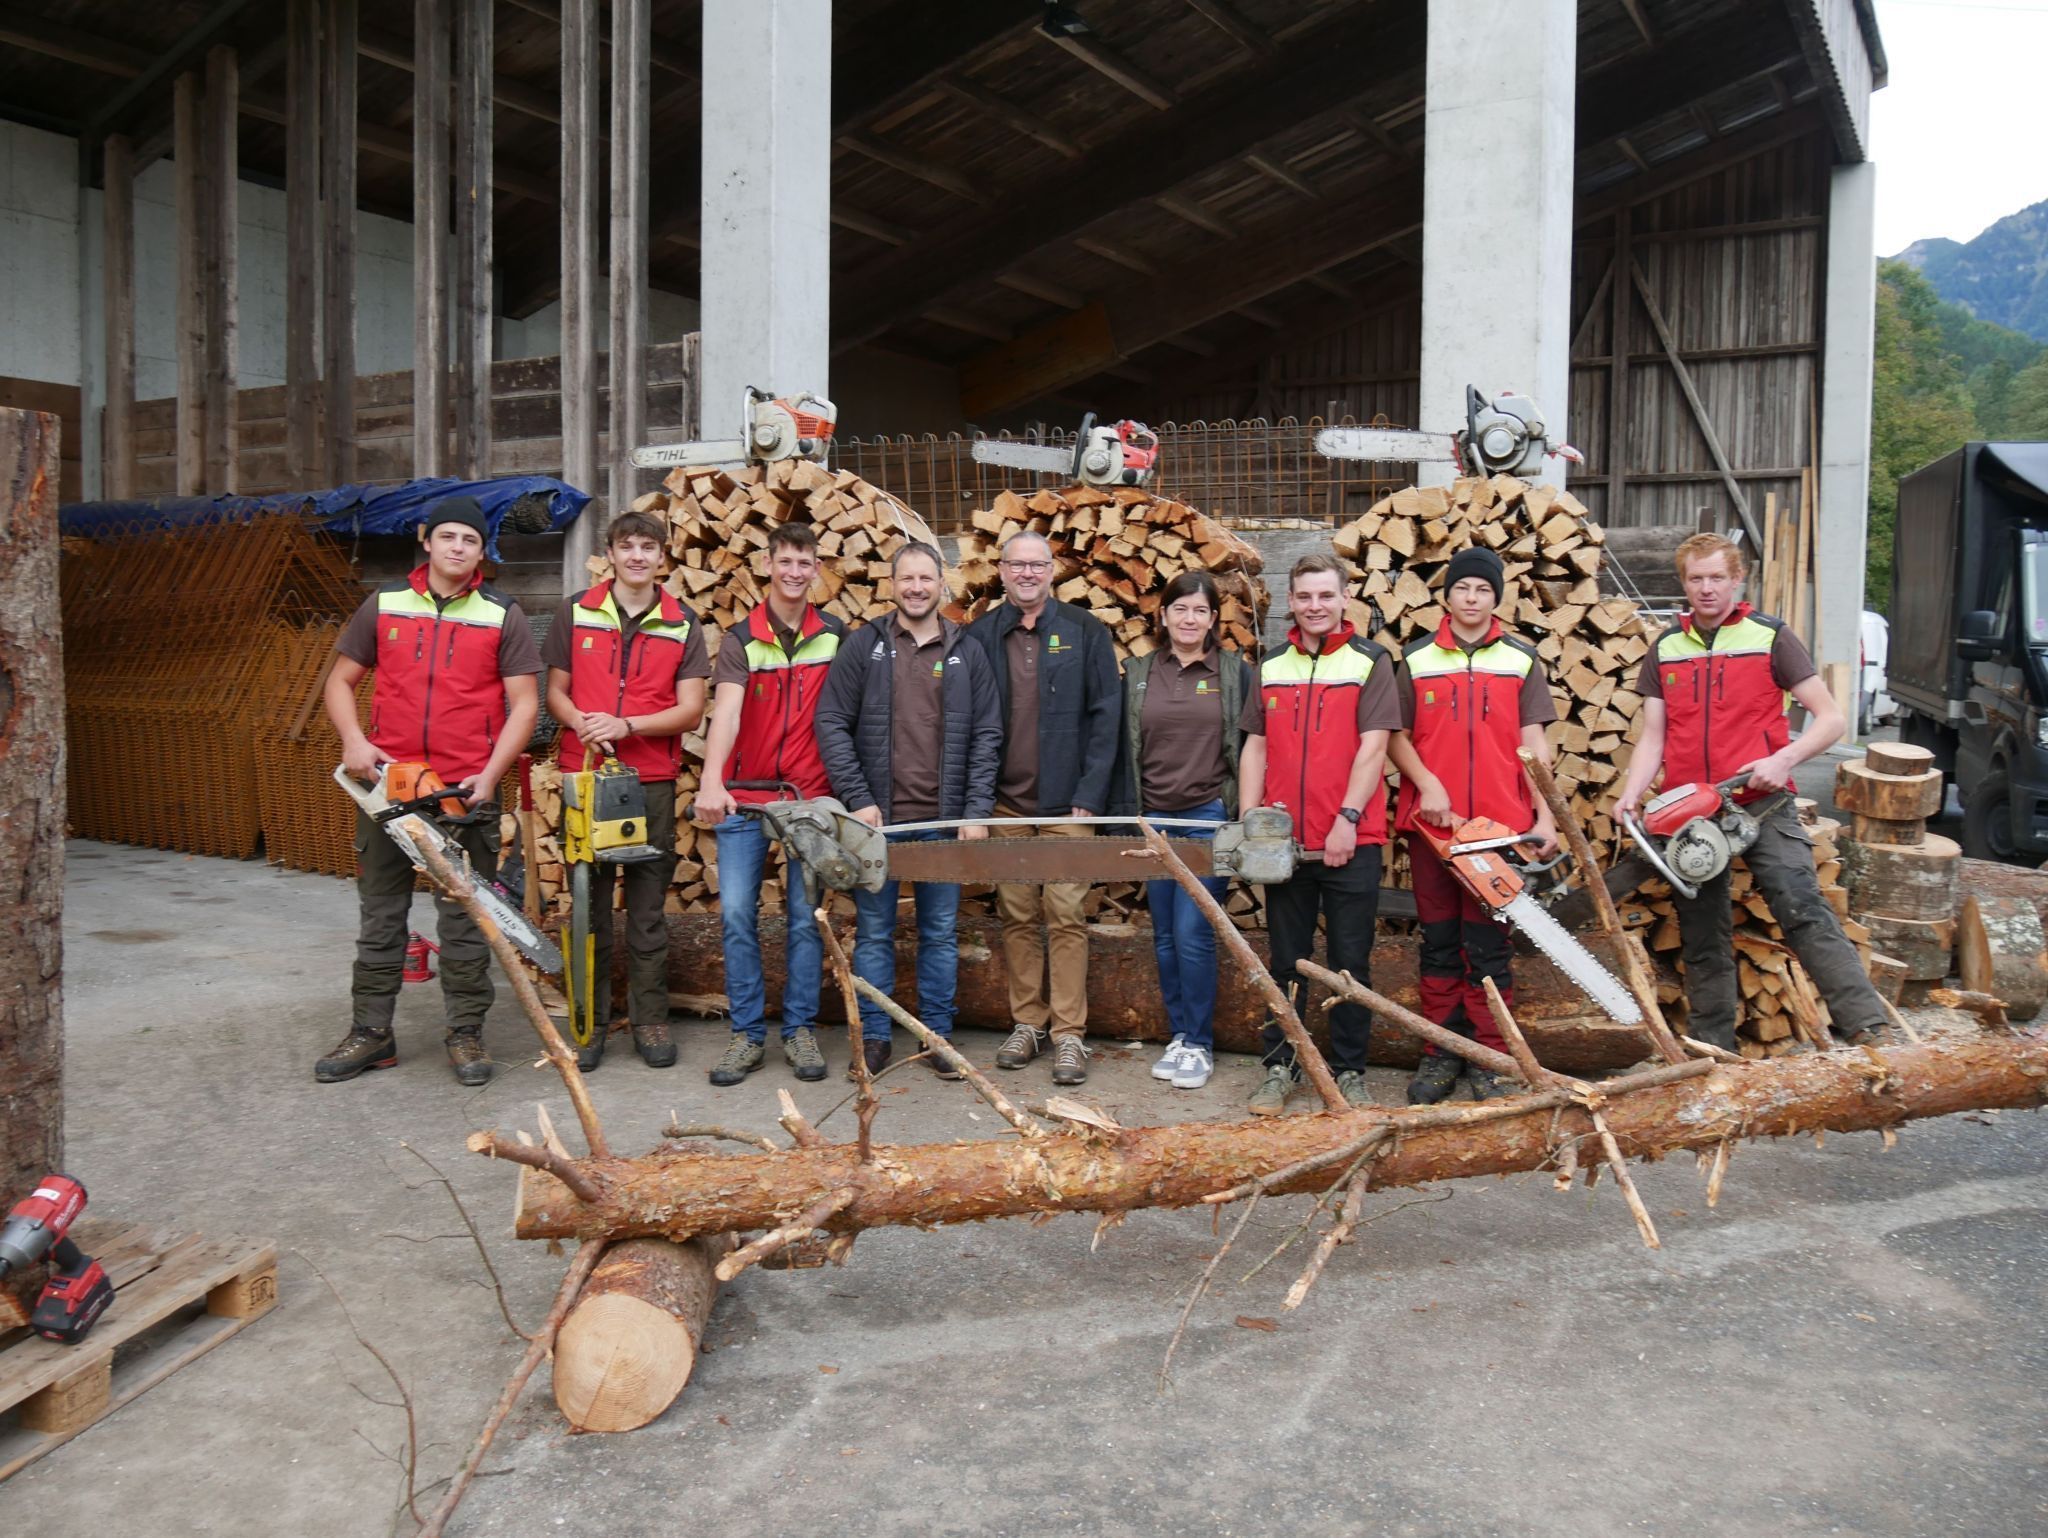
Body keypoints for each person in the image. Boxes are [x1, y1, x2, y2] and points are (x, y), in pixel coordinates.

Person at [1615, 531, 1888, 1049]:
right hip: (1691, 815)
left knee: (1802, 906)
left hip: (1761, 802)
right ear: (1684, 583)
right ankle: (1713, 1048)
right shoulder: (1666, 648)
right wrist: (1630, 793)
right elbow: (1653, 735)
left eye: (1718, 577)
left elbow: (1831, 719)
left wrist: (1782, 759)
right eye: (1697, 578)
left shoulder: (1770, 636)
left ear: (1737, 580)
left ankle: (1868, 1028)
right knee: (1702, 932)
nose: (1707, 588)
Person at [316, 495, 542, 1087]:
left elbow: (525, 705)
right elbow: (339, 682)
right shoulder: (385, 603)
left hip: (464, 791)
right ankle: (371, 1032)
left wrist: (490, 775)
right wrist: (354, 741)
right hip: (388, 787)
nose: (458, 548)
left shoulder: (503, 614)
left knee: (464, 919)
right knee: (381, 915)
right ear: (426, 540)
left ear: (482, 551)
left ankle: (465, 1032)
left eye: (469, 540)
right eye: (448, 537)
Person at [815, 542, 1002, 1077]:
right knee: (875, 934)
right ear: (891, 584)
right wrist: (858, 799)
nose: (916, 588)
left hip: (942, 822)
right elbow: (832, 721)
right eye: (907, 578)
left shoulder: (967, 651)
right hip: (880, 824)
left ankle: (936, 1035)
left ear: (942, 584)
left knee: (939, 933)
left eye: (926, 578)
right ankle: (875, 1038)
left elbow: (988, 733)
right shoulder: (865, 646)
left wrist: (975, 811)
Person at [1386, 547, 1559, 1104]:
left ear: (1495, 598)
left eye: (1483, 589)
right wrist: (1428, 786)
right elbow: (1394, 736)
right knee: (1439, 942)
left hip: (1500, 829)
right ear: (1447, 595)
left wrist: (1546, 815)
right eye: (1462, 587)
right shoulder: (1416, 659)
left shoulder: (1520, 660)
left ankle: (1492, 1056)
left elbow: (1535, 743)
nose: (1472, 597)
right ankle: (1442, 1051)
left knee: (1488, 947)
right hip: (1434, 829)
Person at [543, 510, 710, 1072]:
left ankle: (650, 1019)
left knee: (646, 909)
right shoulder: (575, 611)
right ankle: (588, 1021)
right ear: (610, 554)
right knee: (587, 905)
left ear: (663, 557)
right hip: (585, 776)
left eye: (648, 547)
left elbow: (691, 709)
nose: (638, 556)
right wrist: (583, 724)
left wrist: (627, 726)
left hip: (651, 780)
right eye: (627, 546)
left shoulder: (682, 622)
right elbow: (556, 692)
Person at [1238, 553, 1402, 1114]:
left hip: (1352, 839)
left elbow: (1374, 747)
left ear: (1344, 599)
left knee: (1350, 962)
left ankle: (1349, 1071)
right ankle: (1280, 1067)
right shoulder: (1271, 665)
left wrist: (1347, 820)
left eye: (1326, 595)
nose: (1315, 606)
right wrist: (1251, 821)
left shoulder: (1370, 662)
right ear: (1291, 601)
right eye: (1305, 596)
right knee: (1286, 961)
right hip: (1284, 843)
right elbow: (1255, 745)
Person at [966, 531, 1121, 1087]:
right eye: (1017, 565)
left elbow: (1107, 715)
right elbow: (966, 719)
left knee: (1066, 914)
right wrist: (978, 801)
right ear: (1002, 571)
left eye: (1037, 565)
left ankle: (1069, 1034)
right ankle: (1028, 1023)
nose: (1027, 573)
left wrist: (1091, 794)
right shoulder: (981, 635)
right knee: (1017, 915)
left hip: (1068, 805)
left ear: (1052, 571)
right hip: (1006, 805)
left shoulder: (1084, 630)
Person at [694, 522, 845, 1088]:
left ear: (816, 570)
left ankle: (800, 1029)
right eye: (785, 561)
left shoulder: (835, 635)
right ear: (768, 565)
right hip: (745, 796)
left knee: (805, 918)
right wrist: (712, 782)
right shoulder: (742, 639)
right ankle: (748, 1035)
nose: (794, 572)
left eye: (804, 563)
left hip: (808, 798)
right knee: (736, 913)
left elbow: (848, 716)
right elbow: (727, 713)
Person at [1114, 571, 1254, 1091]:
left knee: (1194, 933)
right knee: (1166, 935)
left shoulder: (1234, 672)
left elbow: (1250, 746)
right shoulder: (1141, 671)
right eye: (1180, 609)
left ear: (1214, 619)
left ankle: (1199, 1043)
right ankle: (1178, 1035)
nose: (1189, 619)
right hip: (1153, 819)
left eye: (1200, 611)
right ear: (1164, 614)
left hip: (1205, 818)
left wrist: (1238, 810)